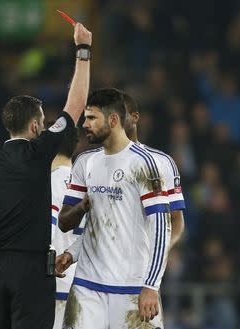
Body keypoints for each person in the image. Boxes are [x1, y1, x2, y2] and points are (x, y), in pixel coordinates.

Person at [0, 22, 92, 329]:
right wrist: (83, 50)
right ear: (36, 127)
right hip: (32, 269)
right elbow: (75, 106)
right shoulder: (40, 152)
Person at [57, 88, 170, 329]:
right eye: (85, 117)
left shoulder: (145, 164)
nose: (84, 124)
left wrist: (151, 285)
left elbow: (161, 226)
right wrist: (72, 253)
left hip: (132, 287)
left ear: (113, 120)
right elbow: (75, 221)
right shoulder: (85, 162)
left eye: (91, 118)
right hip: (87, 285)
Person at [123, 93, 185, 248]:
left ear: (135, 118)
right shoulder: (91, 161)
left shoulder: (162, 161)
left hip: (141, 257)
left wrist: (163, 251)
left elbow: (176, 218)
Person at [49, 126, 86, 329]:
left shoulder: (49, 183)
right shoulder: (86, 184)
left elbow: (48, 230)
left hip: (54, 281)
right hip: (81, 284)